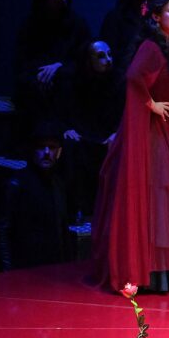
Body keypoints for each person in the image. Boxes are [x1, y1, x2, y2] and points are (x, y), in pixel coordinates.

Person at [91, 0, 169, 292]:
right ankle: (149, 271)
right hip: (151, 136)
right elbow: (134, 77)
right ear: (156, 17)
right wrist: (151, 105)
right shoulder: (151, 48)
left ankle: (162, 272)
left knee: (161, 198)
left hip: (163, 134)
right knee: (155, 196)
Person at [56, 40, 125, 217]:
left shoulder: (119, 81)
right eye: (101, 56)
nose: (108, 60)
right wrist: (68, 128)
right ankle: (78, 209)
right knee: (72, 147)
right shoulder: (75, 82)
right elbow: (66, 113)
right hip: (84, 135)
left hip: (110, 135)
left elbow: (124, 114)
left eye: (109, 54)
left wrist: (117, 133)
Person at [13, 0, 91, 126]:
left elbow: (83, 59)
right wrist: (43, 72)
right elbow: (22, 61)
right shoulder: (30, 26)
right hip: (36, 81)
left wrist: (59, 67)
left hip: (68, 80)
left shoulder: (77, 24)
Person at [0, 123, 73, 271]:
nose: (46, 152)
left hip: (53, 267)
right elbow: (3, 231)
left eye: (52, 147)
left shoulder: (58, 185)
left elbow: (63, 229)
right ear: (32, 150)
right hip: (25, 268)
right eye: (41, 147)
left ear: (59, 152)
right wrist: (8, 271)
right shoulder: (17, 184)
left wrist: (66, 266)